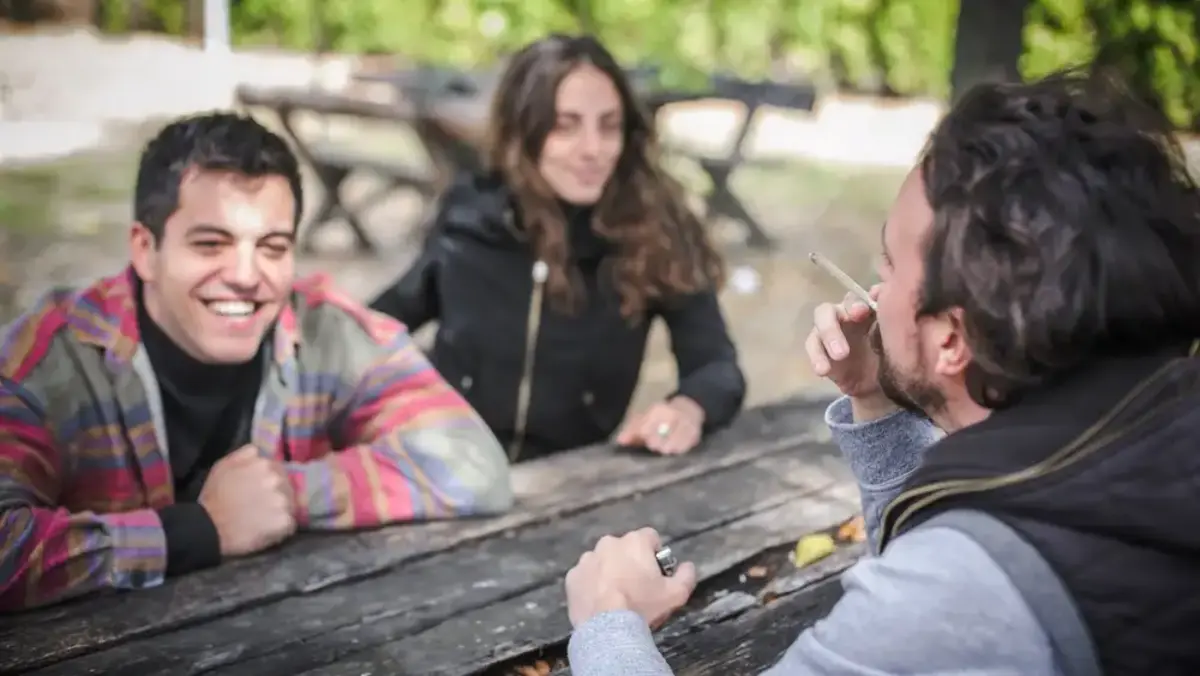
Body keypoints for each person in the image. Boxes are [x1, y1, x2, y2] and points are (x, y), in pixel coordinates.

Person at [562, 69, 1200, 674]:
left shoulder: (967, 590)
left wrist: (609, 621)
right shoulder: (1144, 430)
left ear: (952, 339)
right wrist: (878, 399)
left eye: (889, 267)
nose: (874, 292)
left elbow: (942, 601)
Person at [0, 112, 513, 612]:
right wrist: (198, 530)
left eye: (272, 247)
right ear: (145, 249)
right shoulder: (48, 359)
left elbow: (474, 467)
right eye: (211, 244)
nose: (247, 275)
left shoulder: (325, 331)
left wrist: (285, 491)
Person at [368, 34, 746, 462]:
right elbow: (388, 316)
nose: (593, 150)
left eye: (608, 126)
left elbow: (716, 366)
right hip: (447, 465)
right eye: (565, 126)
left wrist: (687, 408)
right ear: (524, 132)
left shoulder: (653, 230)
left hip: (569, 479)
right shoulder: (472, 213)